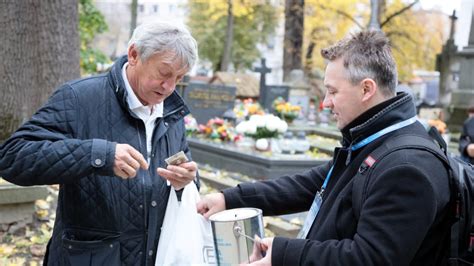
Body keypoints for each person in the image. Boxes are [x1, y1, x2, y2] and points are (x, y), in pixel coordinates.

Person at [198, 30, 452, 265]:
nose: (325, 103)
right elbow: (308, 186)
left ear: (366, 89)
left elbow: (370, 258)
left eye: (332, 92)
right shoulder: (373, 142)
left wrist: (285, 255)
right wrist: (228, 198)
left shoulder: (407, 167)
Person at [0, 21, 199, 265]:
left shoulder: (171, 112)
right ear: (134, 55)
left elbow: (183, 168)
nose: (170, 88)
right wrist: (98, 155)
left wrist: (186, 180)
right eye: (164, 73)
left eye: (179, 78)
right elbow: (12, 156)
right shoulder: (79, 97)